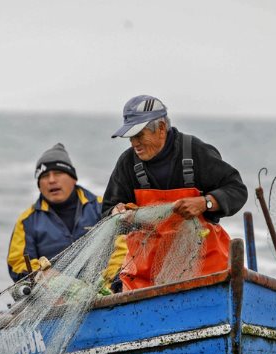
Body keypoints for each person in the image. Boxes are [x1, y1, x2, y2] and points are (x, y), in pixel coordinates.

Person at [102, 95, 248, 290]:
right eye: (130, 137)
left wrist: (206, 203)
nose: (134, 143)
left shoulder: (194, 151)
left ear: (161, 128)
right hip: (146, 277)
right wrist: (117, 213)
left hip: (206, 271)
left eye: (139, 135)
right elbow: (107, 210)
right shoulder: (127, 163)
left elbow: (236, 189)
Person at [7, 143, 103, 281]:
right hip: (49, 294)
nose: (51, 180)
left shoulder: (102, 207)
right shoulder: (27, 220)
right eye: (45, 176)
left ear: (73, 178)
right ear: (39, 185)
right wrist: (43, 274)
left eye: (58, 173)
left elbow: (122, 249)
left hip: (104, 288)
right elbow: (18, 262)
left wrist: (110, 283)